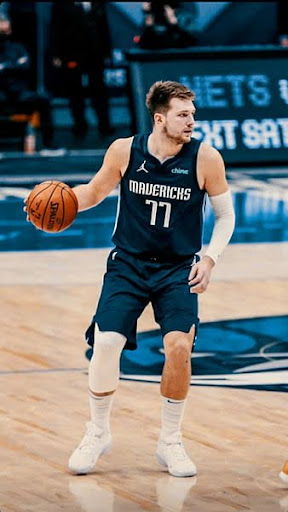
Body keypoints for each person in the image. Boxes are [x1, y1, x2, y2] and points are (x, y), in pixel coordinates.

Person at [25, 80, 235, 477]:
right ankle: (97, 431)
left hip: (177, 267)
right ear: (160, 118)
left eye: (192, 113)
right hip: (129, 263)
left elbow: (226, 216)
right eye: (183, 114)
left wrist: (210, 259)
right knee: (105, 343)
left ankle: (170, 440)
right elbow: (91, 193)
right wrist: (52, 203)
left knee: (178, 347)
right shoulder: (125, 150)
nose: (193, 120)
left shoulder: (206, 159)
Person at [50, 2, 113, 137]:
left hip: (96, 54)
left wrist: (107, 52)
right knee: (75, 91)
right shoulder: (61, 5)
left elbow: (104, 28)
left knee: (99, 89)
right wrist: (56, 53)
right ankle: (80, 125)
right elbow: (56, 28)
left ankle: (105, 125)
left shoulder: (98, 4)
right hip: (72, 54)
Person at [0, 11, 56, 151]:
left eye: (6, 22)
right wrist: (13, 65)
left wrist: (5, 67)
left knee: (43, 100)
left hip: (18, 93)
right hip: (1, 93)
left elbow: (25, 64)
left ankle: (48, 144)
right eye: (2, 23)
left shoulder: (17, 47)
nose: (5, 26)